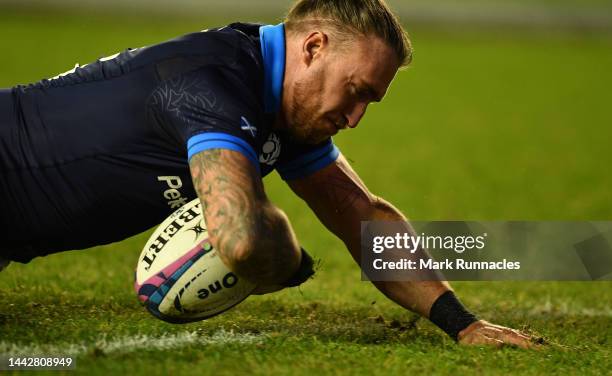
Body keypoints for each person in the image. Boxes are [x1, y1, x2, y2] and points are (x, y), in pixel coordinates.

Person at [0, 0, 538, 348]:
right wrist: (292, 262)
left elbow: (361, 216)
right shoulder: (212, 84)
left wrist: (462, 324)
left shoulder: (281, 105)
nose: (355, 119)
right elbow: (243, 240)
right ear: (312, 47)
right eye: (356, 92)